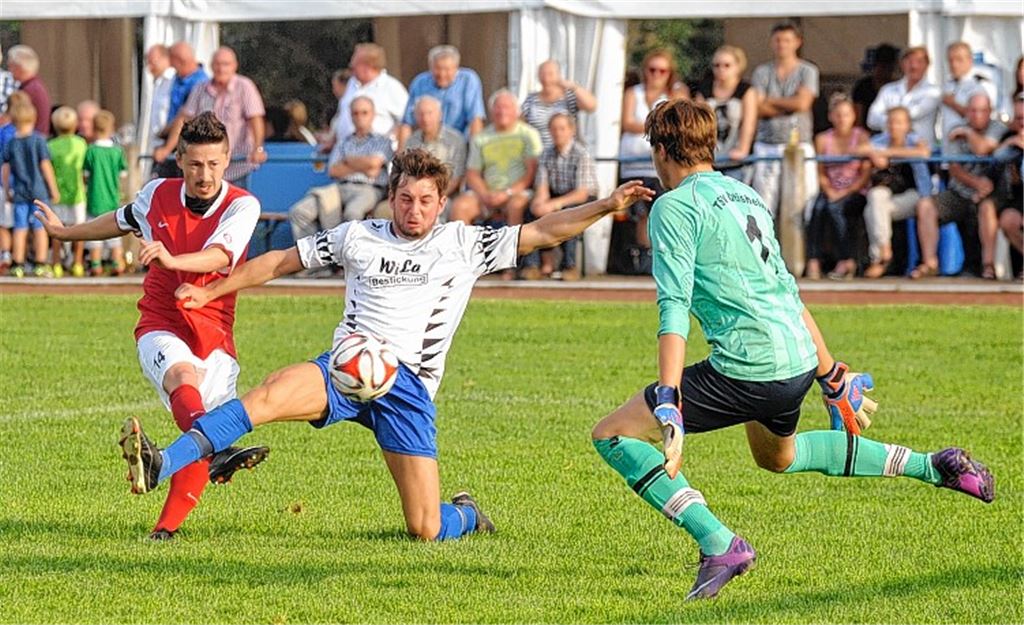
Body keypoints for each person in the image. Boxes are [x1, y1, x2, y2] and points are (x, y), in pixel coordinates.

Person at [116, 148, 655, 543]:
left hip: (407, 390)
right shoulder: (358, 235)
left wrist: (606, 204)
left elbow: (543, 231)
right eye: (404, 198)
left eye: (424, 201)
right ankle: (165, 462)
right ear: (391, 197)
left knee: (425, 527)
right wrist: (211, 287)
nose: (413, 210)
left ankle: (466, 514)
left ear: (441, 204)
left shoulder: (463, 244)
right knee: (267, 395)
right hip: (345, 369)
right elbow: (281, 261)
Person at [590, 98, 995, 602]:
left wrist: (669, 397)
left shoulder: (673, 207)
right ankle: (933, 465)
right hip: (796, 362)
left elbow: (673, 307)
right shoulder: (745, 195)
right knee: (778, 457)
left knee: (612, 434)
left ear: (662, 148)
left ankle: (720, 545)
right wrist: (829, 376)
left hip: (748, 367)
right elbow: (788, 290)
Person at [34, 112, 268, 540]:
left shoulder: (241, 204)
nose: (205, 175)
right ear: (179, 160)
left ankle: (164, 531)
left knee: (202, 432)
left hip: (215, 328)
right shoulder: (157, 193)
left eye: (214, 165)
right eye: (196, 164)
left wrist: (173, 259)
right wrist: (64, 233)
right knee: (184, 381)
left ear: (226, 161)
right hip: (162, 321)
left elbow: (220, 256)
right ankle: (216, 449)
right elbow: (118, 220)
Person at [912, 93, 1006, 279]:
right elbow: (954, 168)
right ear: (967, 112)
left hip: (991, 193)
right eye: (973, 110)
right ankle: (930, 263)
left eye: (982, 111)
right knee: (926, 206)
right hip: (960, 191)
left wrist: (969, 133)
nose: (977, 115)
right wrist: (976, 183)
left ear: (990, 112)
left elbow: (982, 148)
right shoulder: (955, 129)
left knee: (987, 209)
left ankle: (988, 266)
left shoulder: (998, 128)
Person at [158, 47, 267, 188]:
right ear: (211, 66)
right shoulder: (200, 89)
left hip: (238, 167)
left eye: (226, 64)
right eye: (218, 64)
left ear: (235, 66)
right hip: (206, 171)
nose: (221, 69)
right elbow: (183, 120)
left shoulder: (245, 87)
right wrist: (167, 149)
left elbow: (256, 118)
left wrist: (258, 148)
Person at [448, 89, 542, 251]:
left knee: (515, 205)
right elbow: (473, 173)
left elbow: (531, 173)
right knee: (459, 206)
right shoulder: (482, 137)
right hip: (487, 193)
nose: (502, 111)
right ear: (491, 112)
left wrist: (508, 193)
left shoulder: (528, 134)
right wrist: (485, 194)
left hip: (518, 192)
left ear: (516, 111)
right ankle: (467, 258)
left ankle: (512, 261)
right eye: (498, 107)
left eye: (506, 107)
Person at [618, 49, 687, 254]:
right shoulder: (633, 93)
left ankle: (662, 253)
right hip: (633, 165)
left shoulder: (675, 94)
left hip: (662, 167)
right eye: (652, 69)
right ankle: (646, 255)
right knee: (640, 213)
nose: (656, 74)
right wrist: (657, 126)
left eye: (662, 71)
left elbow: (679, 123)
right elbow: (626, 122)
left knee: (663, 211)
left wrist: (646, 126)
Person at [751, 22, 820, 220]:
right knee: (764, 203)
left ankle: (802, 250)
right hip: (767, 143)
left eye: (787, 40)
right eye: (778, 40)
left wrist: (770, 100)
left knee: (803, 202)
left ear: (797, 42)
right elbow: (757, 107)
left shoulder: (808, 71)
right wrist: (789, 103)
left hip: (800, 143)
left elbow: (803, 104)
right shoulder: (762, 72)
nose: (782, 45)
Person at [856, 106, 933, 278]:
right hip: (887, 197)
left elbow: (923, 152)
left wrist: (886, 153)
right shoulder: (881, 140)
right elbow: (859, 149)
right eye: (890, 122)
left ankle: (879, 260)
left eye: (898, 122)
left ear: (907, 125)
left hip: (915, 196)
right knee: (875, 198)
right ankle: (884, 251)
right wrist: (872, 152)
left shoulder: (915, 140)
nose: (894, 126)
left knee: (872, 210)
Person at [522, 113, 599, 281]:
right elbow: (542, 186)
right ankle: (532, 265)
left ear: (572, 130)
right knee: (531, 212)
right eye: (554, 129)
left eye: (562, 128)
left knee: (569, 214)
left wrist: (553, 205)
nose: (558, 133)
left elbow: (582, 193)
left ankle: (570, 266)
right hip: (558, 194)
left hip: (582, 198)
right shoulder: (546, 154)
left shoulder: (581, 154)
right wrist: (539, 203)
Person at [805, 93, 871, 280]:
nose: (842, 119)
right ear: (831, 116)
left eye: (846, 115)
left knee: (835, 209)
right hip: (830, 188)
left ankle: (846, 259)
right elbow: (820, 171)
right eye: (838, 115)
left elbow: (865, 173)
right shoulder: (822, 139)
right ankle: (813, 259)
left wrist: (845, 192)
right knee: (817, 209)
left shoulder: (861, 137)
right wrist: (830, 190)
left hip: (855, 190)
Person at [2, 102, 58, 277]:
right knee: (40, 228)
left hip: (19, 191)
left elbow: (5, 168)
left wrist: (7, 189)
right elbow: (45, 166)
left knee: (20, 228)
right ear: (33, 118)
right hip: (39, 191)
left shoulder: (11, 143)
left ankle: (18, 263)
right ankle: (40, 262)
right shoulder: (38, 140)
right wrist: (53, 188)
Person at [398, 45, 486, 149]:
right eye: (437, 69)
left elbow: (475, 119)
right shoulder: (420, 82)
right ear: (430, 67)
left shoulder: (468, 80)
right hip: (427, 144)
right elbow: (407, 123)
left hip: (460, 144)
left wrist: (475, 154)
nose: (442, 74)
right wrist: (401, 155)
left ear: (456, 68)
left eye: (447, 69)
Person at [691, 45, 757, 175]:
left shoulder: (746, 90)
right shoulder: (704, 89)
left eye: (727, 65)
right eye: (717, 65)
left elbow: (749, 123)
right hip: (709, 160)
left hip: (736, 159)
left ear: (738, 67)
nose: (721, 69)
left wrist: (743, 149)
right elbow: (698, 124)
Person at [328, 96, 393, 223]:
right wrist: (366, 167)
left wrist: (347, 161)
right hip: (340, 187)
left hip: (369, 189)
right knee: (301, 212)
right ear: (351, 116)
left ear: (373, 115)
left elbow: (375, 163)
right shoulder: (343, 142)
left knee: (352, 212)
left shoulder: (382, 141)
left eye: (364, 113)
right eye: (355, 113)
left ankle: (351, 243)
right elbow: (333, 171)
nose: (360, 117)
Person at [83, 110, 128, 276]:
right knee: (114, 232)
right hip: (112, 198)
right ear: (111, 128)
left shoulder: (91, 151)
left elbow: (86, 175)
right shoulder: (117, 152)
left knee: (94, 232)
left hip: (95, 198)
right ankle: (117, 262)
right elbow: (123, 174)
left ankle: (95, 264)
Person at [334, 43, 408, 145]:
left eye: (354, 65)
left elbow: (406, 122)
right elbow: (343, 115)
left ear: (367, 66)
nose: (351, 67)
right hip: (346, 152)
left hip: (378, 153)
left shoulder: (391, 87)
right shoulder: (352, 84)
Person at [866, 47, 941, 148]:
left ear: (927, 65)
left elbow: (915, 113)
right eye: (910, 61)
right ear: (902, 64)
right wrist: (895, 122)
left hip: (921, 152)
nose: (914, 66)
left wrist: (888, 122)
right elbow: (871, 119)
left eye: (919, 61)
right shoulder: (888, 89)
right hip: (888, 152)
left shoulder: (934, 92)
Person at [47, 106, 88, 277]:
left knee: (57, 229)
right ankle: (77, 262)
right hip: (78, 192)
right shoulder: (81, 143)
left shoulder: (50, 145)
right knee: (79, 229)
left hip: (57, 192)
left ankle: (56, 262)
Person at [520, 59, 597, 150]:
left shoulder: (569, 97)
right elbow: (520, 126)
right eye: (542, 74)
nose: (546, 78)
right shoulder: (531, 99)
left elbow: (591, 107)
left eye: (550, 74)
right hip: (539, 155)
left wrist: (573, 87)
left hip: (566, 156)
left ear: (559, 75)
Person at [405, 95, 466, 199]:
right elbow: (407, 175)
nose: (425, 118)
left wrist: (432, 198)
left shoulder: (455, 140)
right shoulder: (411, 141)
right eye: (420, 114)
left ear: (440, 115)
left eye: (430, 113)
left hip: (445, 196)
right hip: (415, 196)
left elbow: (456, 178)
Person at [941, 42, 996, 156]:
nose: (954, 64)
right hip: (948, 148)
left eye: (959, 60)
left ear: (970, 60)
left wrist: (953, 104)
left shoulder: (980, 84)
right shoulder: (947, 84)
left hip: (969, 150)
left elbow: (983, 116)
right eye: (950, 60)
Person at [144, 44, 176, 177]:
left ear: (165, 59)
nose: (149, 67)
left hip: (171, 144)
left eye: (153, 62)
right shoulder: (157, 83)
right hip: (158, 144)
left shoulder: (174, 81)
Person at [851, 44, 900, 130]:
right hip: (867, 136)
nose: (885, 72)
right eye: (882, 67)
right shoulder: (862, 87)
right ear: (875, 66)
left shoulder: (898, 88)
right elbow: (857, 120)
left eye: (889, 69)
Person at [6, 45, 50, 136]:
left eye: (10, 66)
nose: (9, 71)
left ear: (19, 67)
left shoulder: (29, 91)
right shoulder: (34, 86)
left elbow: (10, 119)